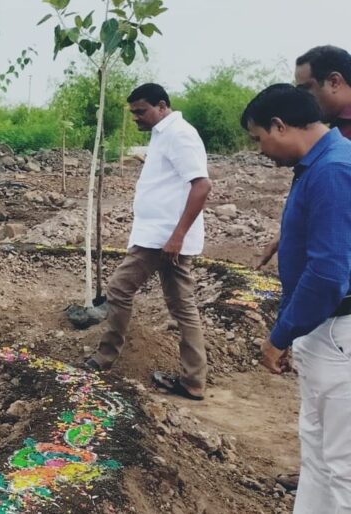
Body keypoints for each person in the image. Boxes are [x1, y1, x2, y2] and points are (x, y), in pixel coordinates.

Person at [243, 84, 351, 514]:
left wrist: (282, 333)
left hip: (337, 333)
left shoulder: (332, 170)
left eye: (258, 139)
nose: (261, 151)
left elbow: (327, 273)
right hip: (322, 329)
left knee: (342, 464)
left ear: (279, 125)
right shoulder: (321, 164)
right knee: (319, 454)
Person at [82, 83, 213, 401]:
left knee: (119, 289)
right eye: (133, 113)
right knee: (183, 306)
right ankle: (194, 380)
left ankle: (104, 358)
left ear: (162, 106)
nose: (136, 118)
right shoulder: (164, 133)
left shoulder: (179, 134)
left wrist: (177, 236)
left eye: (141, 111)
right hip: (162, 236)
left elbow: (202, 185)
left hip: (162, 238)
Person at [257, 45, 351, 269]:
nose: (301, 100)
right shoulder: (336, 131)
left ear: (334, 82)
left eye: (306, 89)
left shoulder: (336, 158)